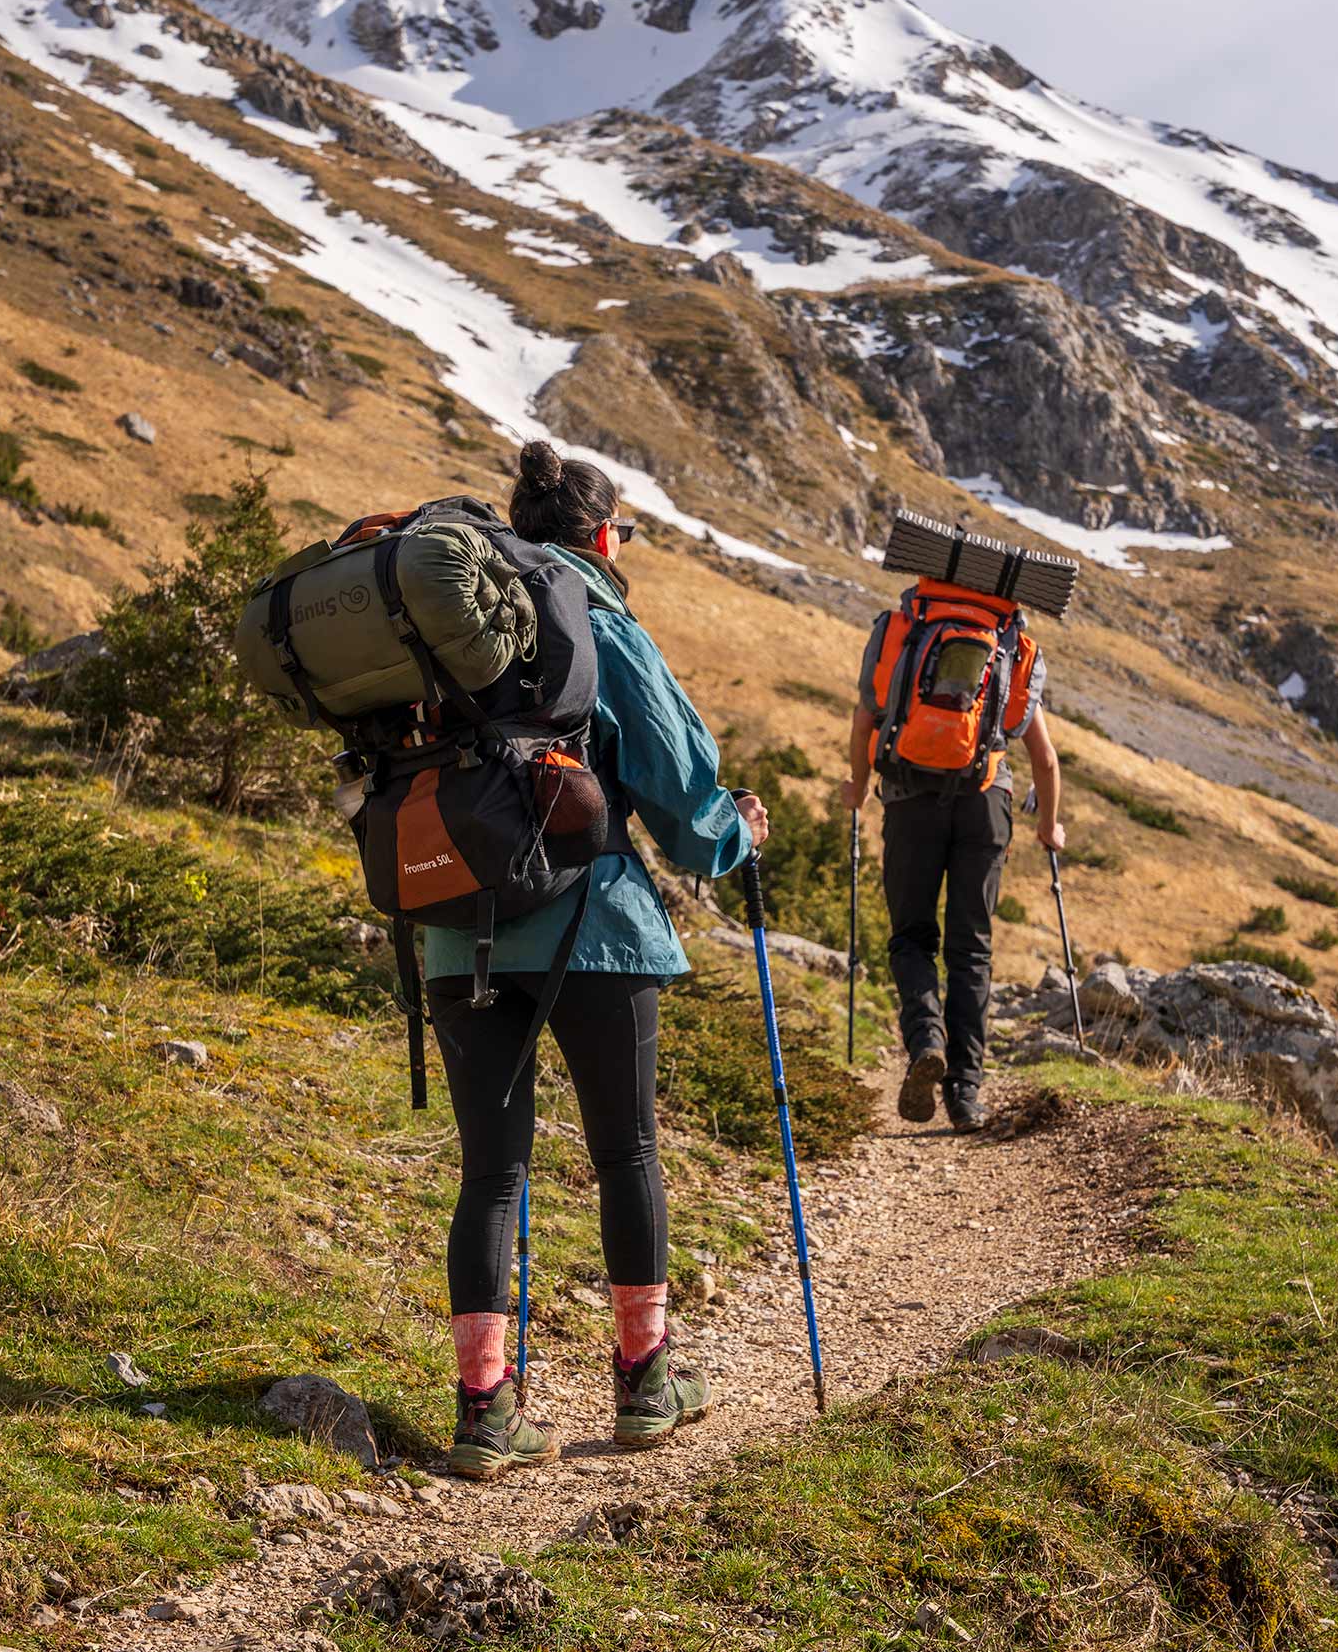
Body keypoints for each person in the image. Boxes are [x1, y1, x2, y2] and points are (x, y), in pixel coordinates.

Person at [425, 441, 768, 1481]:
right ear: (602, 534)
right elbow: (674, 780)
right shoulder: (595, 614)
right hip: (594, 925)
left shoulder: (457, 620)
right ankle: (644, 1381)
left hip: (452, 917)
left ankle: (484, 1409)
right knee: (624, 1152)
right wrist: (733, 836)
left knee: (491, 1172)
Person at [841, 587, 1063, 1133]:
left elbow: (866, 718)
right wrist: (1048, 825)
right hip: (985, 803)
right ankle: (966, 1093)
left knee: (911, 936)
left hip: (910, 797)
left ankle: (926, 1040)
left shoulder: (907, 631)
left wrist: (858, 784)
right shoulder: (1006, 646)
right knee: (972, 949)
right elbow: (1046, 758)